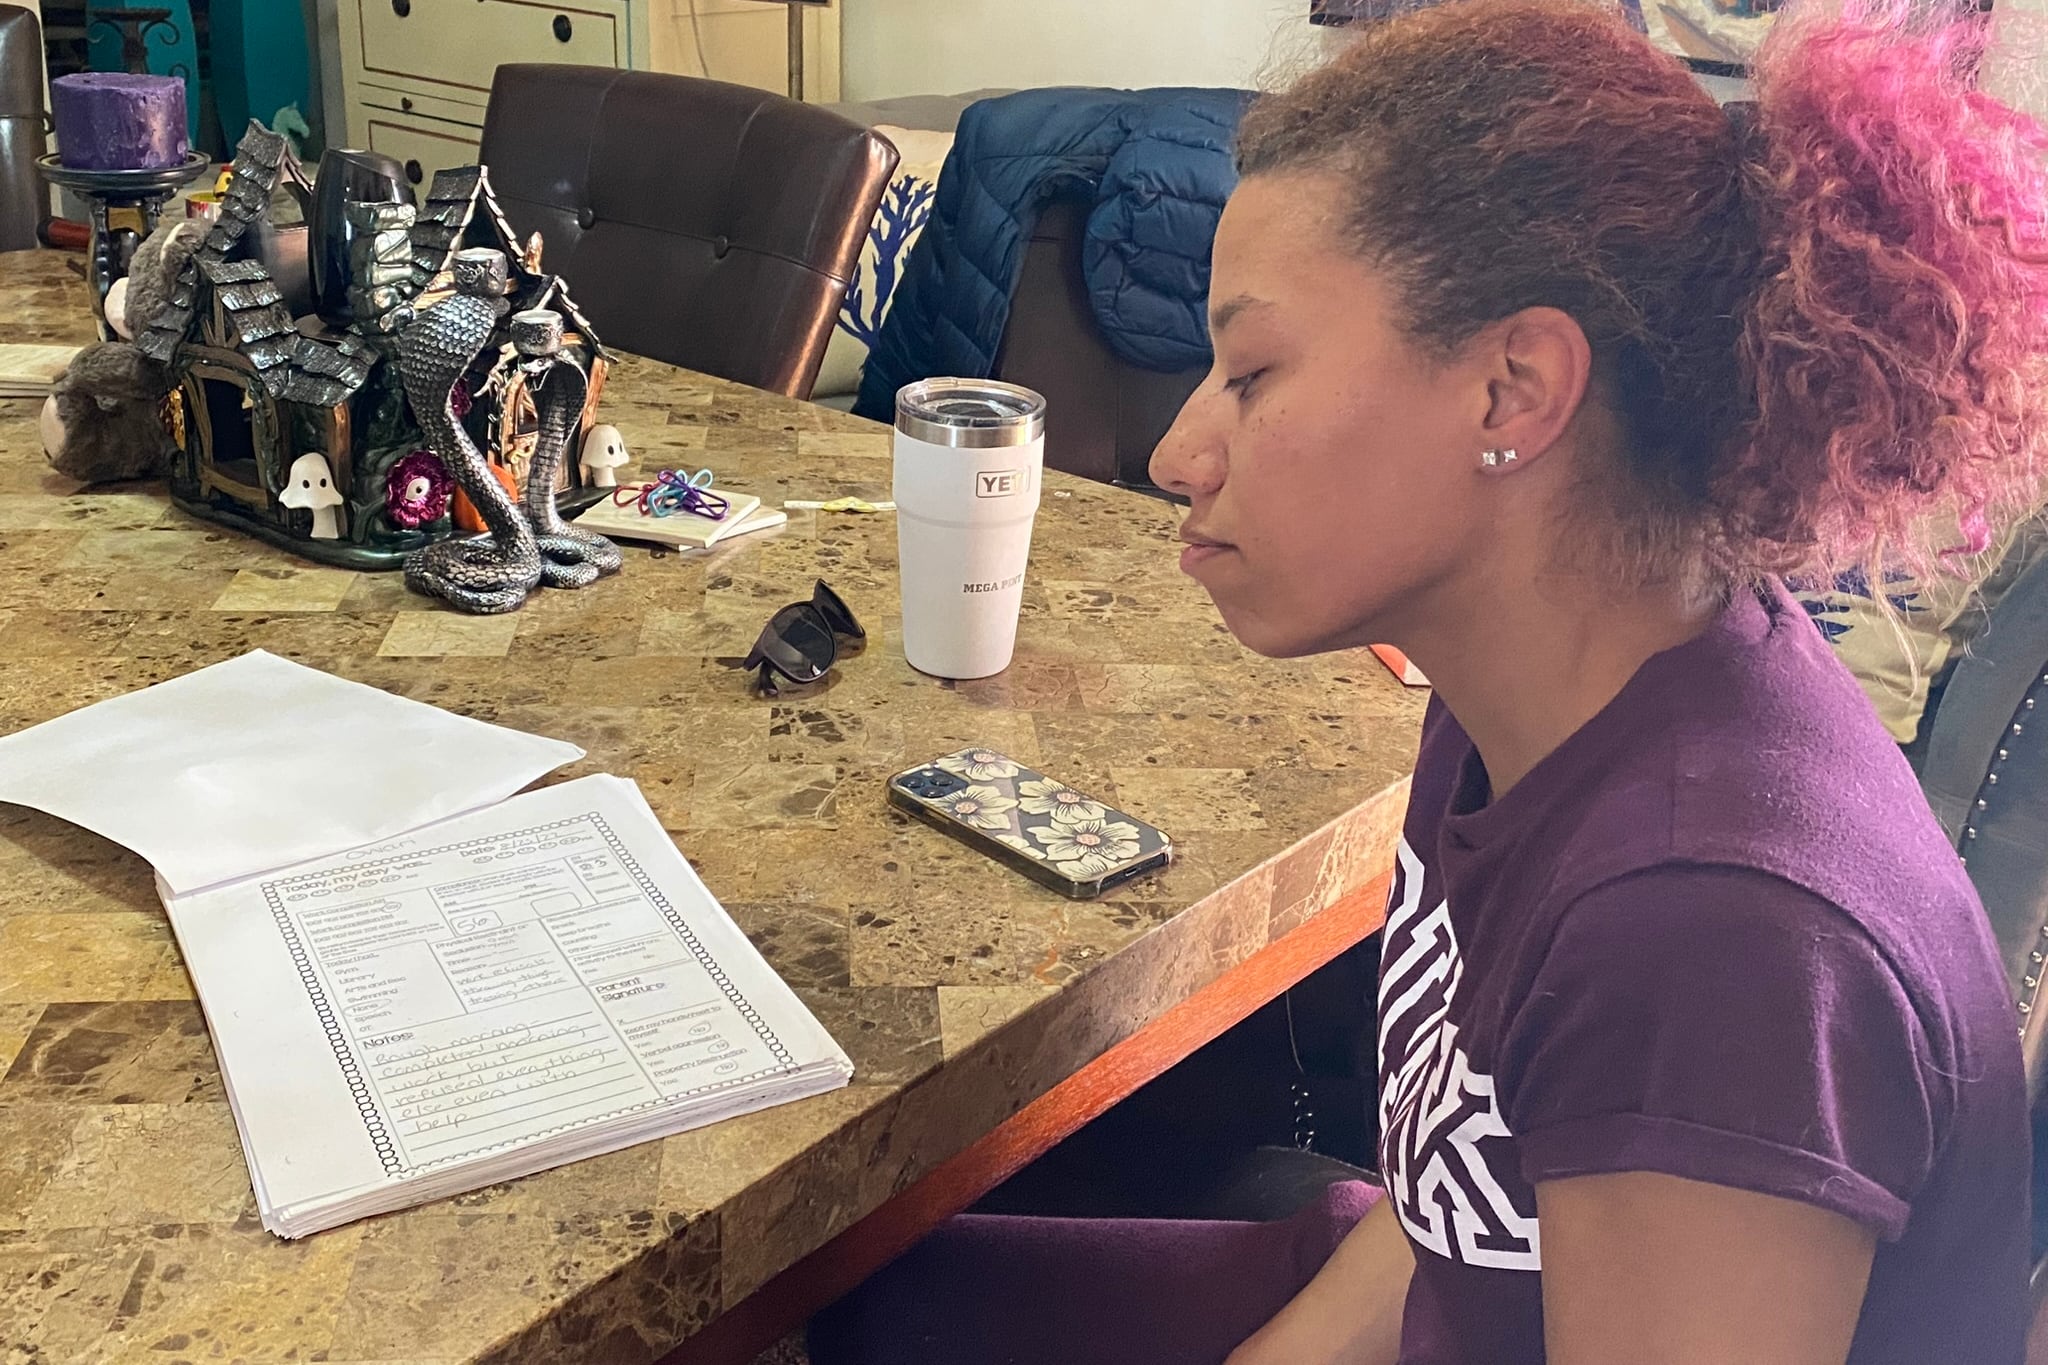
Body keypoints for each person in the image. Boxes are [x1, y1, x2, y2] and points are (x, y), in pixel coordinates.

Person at [807, 0, 2048, 1360]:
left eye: (1254, 370)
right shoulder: (1532, 680)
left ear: (1512, 391)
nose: (1179, 449)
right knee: (867, 1307)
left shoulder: (1715, 938)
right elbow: (1460, 1196)